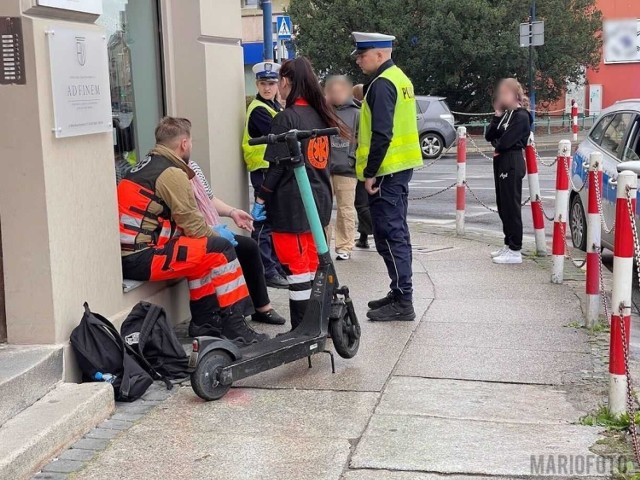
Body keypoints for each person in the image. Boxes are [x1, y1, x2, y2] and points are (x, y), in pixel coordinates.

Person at [118, 116, 267, 345]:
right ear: (184, 144)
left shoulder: (147, 165)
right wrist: (219, 236)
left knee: (200, 254)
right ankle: (236, 327)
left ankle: (204, 323)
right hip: (142, 257)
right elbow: (194, 225)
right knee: (220, 249)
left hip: (136, 253)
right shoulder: (171, 173)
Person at [252, 57, 349, 330]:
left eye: (280, 82)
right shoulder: (321, 115)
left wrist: (261, 198)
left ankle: (303, 329)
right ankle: (322, 323)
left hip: (291, 203)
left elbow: (277, 167)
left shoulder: (286, 118)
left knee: (296, 269)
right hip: (318, 200)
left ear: (286, 82)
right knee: (313, 263)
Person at [352, 32, 423, 322]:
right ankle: (398, 291)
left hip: (386, 172)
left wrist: (370, 174)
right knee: (395, 234)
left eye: (362, 54)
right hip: (398, 168)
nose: (358, 59)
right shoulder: (400, 78)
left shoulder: (382, 84)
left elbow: (382, 133)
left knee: (390, 236)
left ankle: (403, 300)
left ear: (379, 54)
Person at [188, 159, 286, 325]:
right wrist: (211, 230)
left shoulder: (193, 166)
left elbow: (209, 199)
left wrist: (232, 212)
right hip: (192, 232)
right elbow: (184, 216)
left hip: (208, 227)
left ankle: (261, 307)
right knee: (225, 249)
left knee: (249, 247)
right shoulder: (171, 173)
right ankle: (232, 317)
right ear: (184, 143)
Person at [242, 61, 288, 289]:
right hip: (263, 173)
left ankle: (275, 266)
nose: (267, 88)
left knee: (272, 220)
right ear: (257, 85)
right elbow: (281, 135)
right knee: (263, 223)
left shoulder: (274, 107)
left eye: (271, 83)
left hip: (273, 171)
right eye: (263, 83)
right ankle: (266, 269)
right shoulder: (260, 109)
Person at [485, 78, 533, 265]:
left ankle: (515, 248)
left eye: (506, 93)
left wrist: (498, 143)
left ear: (515, 94)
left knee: (511, 205)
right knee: (502, 204)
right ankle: (508, 242)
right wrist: (496, 115)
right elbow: (490, 135)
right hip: (501, 160)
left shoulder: (521, 116)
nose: (502, 96)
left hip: (512, 161)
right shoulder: (506, 115)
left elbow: (505, 142)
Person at [324, 75, 360, 260]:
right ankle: (322, 247)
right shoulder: (323, 111)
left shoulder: (357, 113)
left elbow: (362, 139)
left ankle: (345, 246)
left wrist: (353, 160)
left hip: (347, 168)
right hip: (325, 168)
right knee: (323, 208)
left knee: (346, 209)